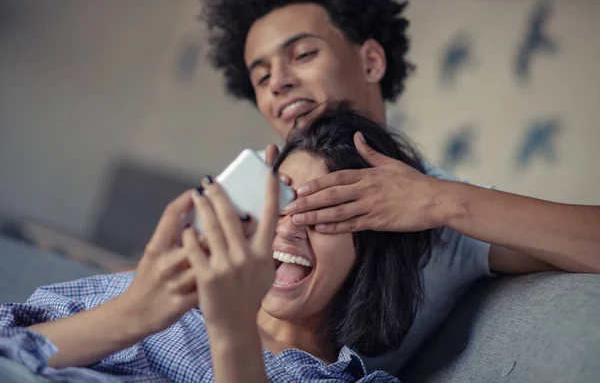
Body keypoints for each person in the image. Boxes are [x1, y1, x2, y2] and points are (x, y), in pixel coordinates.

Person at [200, 0, 600, 371]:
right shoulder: (249, 181)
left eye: (302, 54)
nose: (279, 83)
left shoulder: (446, 216)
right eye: (262, 78)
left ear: (371, 61)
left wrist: (439, 202)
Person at [2, 106, 433, 382]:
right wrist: (136, 312)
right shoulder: (154, 290)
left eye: (323, 213)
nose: (289, 226)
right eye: (279, 201)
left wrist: (233, 332)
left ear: (371, 253)